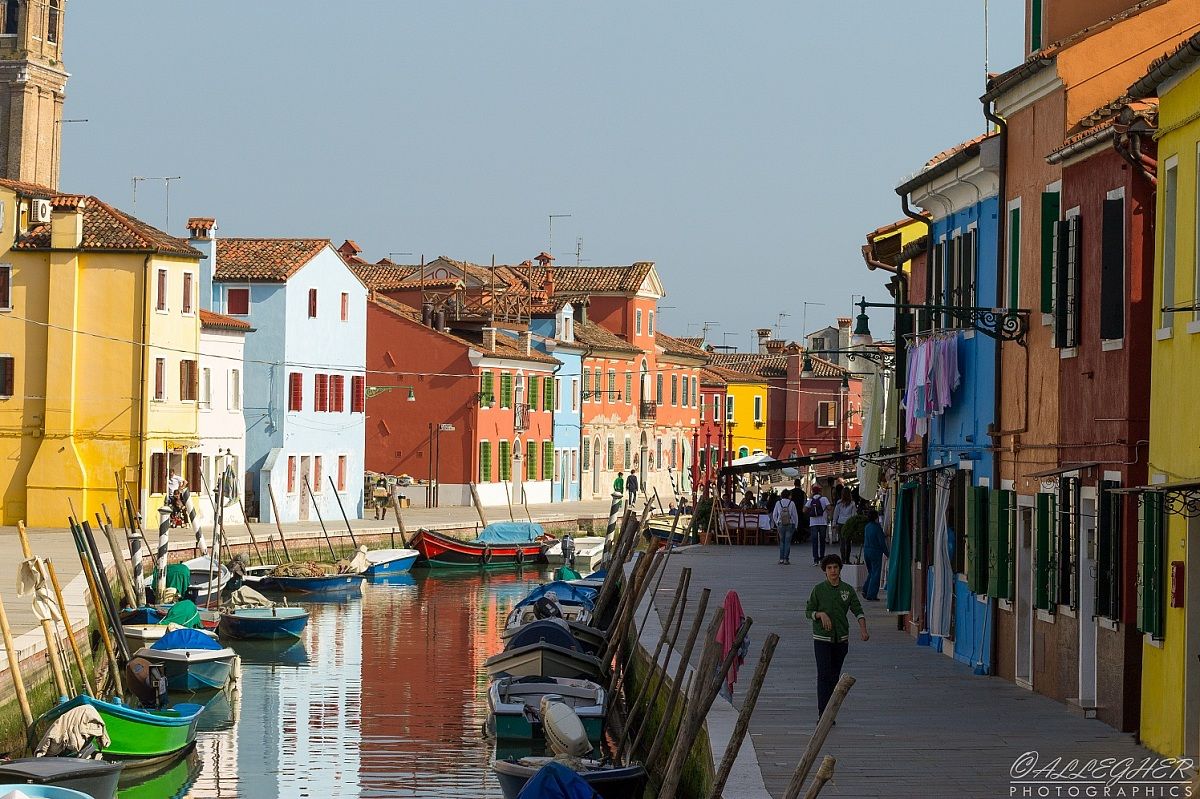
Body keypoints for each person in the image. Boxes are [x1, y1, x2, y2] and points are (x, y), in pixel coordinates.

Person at [805, 554, 869, 717]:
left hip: (841, 639)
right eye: (829, 568)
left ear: (840, 569)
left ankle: (831, 712)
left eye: (835, 567)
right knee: (824, 674)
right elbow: (808, 611)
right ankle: (822, 713)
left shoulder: (847, 590)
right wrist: (820, 614)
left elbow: (858, 610)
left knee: (834, 676)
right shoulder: (818, 590)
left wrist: (863, 630)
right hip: (822, 639)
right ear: (825, 571)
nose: (833, 571)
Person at [861, 509, 887, 600]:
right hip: (875, 552)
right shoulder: (877, 527)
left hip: (866, 551)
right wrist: (887, 553)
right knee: (876, 574)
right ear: (876, 517)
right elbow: (882, 542)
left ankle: (865, 589)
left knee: (871, 572)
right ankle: (871, 594)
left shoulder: (867, 526)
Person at [771, 489, 798, 565]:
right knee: (788, 542)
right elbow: (795, 515)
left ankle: (781, 559)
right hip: (790, 524)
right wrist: (796, 525)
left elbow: (774, 515)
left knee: (782, 542)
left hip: (780, 524)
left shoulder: (778, 503)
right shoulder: (792, 503)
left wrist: (777, 523)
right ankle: (786, 559)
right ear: (789, 495)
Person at [832, 489, 857, 563]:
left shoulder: (839, 503)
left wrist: (834, 522)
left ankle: (843, 559)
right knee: (848, 542)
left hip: (840, 523)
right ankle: (847, 559)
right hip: (848, 524)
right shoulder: (852, 503)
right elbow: (853, 515)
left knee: (842, 542)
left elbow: (836, 513)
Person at [806, 485, 830, 565]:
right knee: (822, 541)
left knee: (814, 541)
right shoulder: (824, 499)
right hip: (823, 522)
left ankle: (815, 559)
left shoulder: (810, 500)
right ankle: (822, 558)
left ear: (813, 492)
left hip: (813, 523)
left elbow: (804, 509)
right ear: (820, 491)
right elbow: (829, 507)